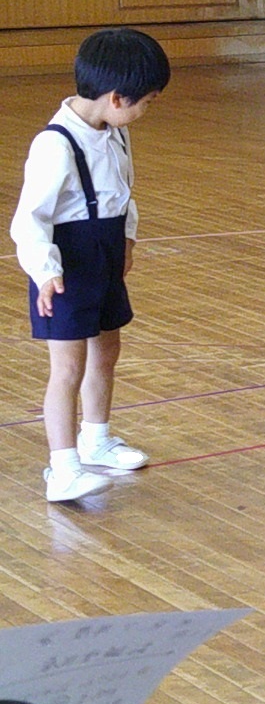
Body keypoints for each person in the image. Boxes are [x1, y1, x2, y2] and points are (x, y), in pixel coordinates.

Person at [10, 28, 170, 502]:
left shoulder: (115, 132)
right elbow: (29, 220)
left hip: (105, 257)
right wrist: (46, 272)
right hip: (66, 267)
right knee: (67, 369)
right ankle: (62, 469)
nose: (146, 111)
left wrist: (127, 239)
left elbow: (123, 193)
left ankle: (96, 439)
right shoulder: (55, 145)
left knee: (106, 352)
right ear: (117, 98)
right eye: (146, 102)